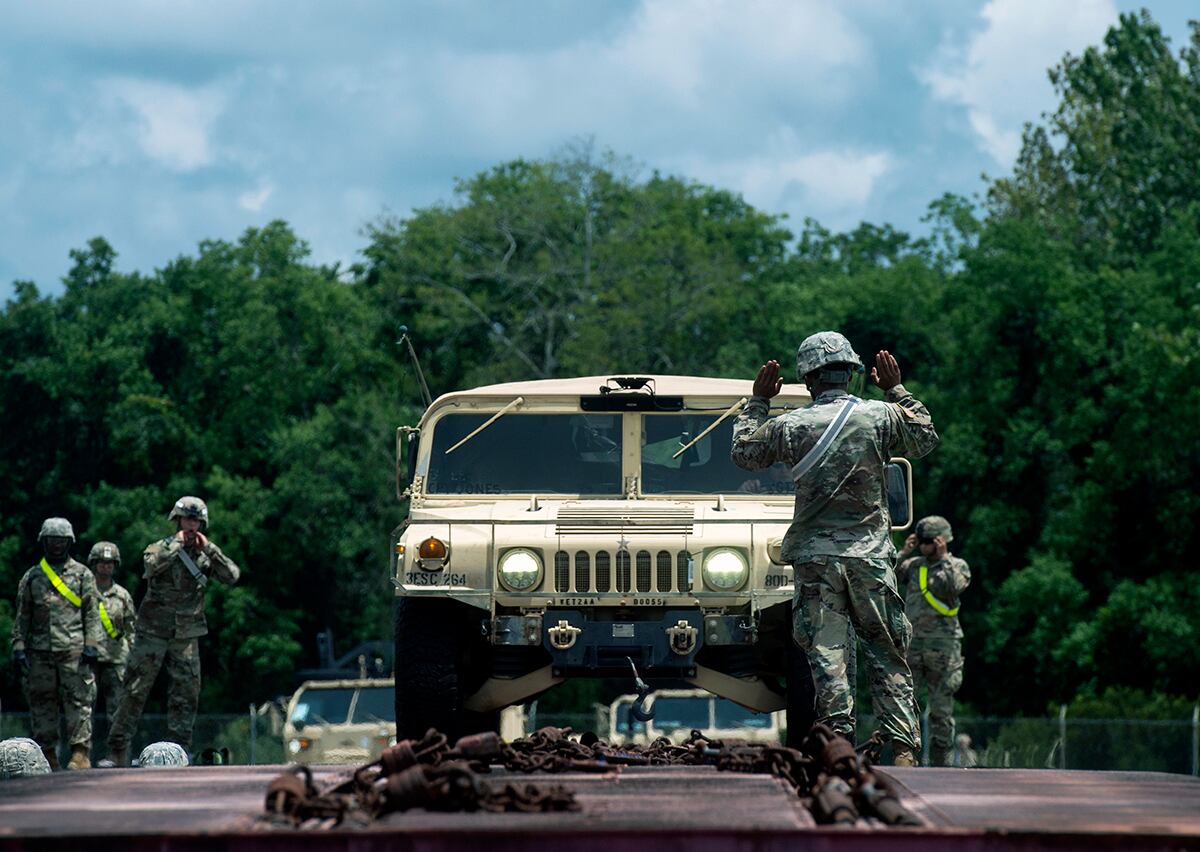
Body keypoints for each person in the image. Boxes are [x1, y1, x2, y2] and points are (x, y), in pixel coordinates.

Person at [731, 332, 938, 765]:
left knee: (828, 658)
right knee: (887, 652)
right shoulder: (881, 415)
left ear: (808, 379)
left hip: (816, 560)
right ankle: (902, 752)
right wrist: (896, 389)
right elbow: (925, 439)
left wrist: (758, 401)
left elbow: (745, 454)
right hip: (870, 558)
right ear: (852, 373)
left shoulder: (791, 427)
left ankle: (837, 749)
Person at [105, 497, 241, 766]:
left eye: (196, 521)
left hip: (187, 633)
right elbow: (151, 565)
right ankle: (117, 749)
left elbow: (232, 576)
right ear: (177, 521)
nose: (191, 526)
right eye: (187, 520)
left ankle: (180, 750)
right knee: (134, 689)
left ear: (202, 523)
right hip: (152, 630)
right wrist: (178, 542)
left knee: (186, 692)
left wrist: (211, 549)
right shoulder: (159, 548)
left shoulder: (205, 555)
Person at [10, 517, 101, 770]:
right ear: (44, 542)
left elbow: (92, 613)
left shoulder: (83, 574)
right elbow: (23, 615)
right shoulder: (32, 576)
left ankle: (80, 753)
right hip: (40, 652)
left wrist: (92, 644)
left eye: (61, 541)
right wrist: (18, 646)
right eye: (52, 540)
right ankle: (47, 753)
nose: (57, 545)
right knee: (41, 703)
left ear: (69, 542)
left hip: (74, 651)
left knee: (79, 702)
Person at [896, 515, 971, 766]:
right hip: (914, 646)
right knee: (907, 704)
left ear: (940, 541)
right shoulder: (915, 565)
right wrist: (904, 551)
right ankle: (907, 756)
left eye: (927, 541)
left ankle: (940, 763)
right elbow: (888, 574)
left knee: (941, 711)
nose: (922, 546)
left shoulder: (957, 565)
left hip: (944, 647)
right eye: (920, 541)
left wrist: (943, 557)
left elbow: (954, 587)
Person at [87, 541, 137, 720]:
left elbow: (131, 628)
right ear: (94, 564)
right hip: (87, 658)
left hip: (116, 659)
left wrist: (133, 657)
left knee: (118, 713)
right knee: (83, 712)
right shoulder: (83, 592)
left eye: (110, 563)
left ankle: (119, 749)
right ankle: (80, 748)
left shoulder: (122, 596)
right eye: (101, 562)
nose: (106, 567)